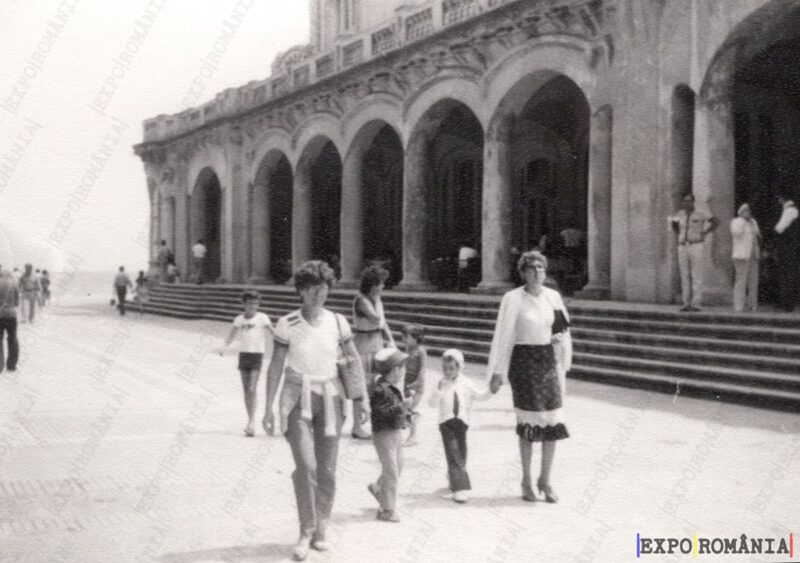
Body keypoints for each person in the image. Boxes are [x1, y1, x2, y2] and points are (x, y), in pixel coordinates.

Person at [263, 260, 368, 561]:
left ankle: (322, 527)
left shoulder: (338, 322)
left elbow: (354, 361)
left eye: (322, 288)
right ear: (300, 291)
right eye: (310, 289)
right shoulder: (287, 323)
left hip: (332, 398)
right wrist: (268, 408)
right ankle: (305, 531)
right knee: (306, 465)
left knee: (327, 469)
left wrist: (362, 401)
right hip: (298, 397)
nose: (317, 294)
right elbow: (276, 366)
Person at [487, 250, 572, 503]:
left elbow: (562, 328)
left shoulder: (553, 297)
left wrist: (560, 344)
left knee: (553, 421)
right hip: (523, 362)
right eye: (531, 268)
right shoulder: (512, 298)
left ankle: (545, 480)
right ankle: (526, 480)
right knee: (529, 425)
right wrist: (497, 371)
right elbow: (503, 336)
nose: (537, 272)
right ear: (522, 273)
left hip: (548, 361)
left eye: (541, 267)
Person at [429, 348, 495, 504]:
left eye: (451, 368)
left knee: (462, 453)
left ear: (459, 367)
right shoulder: (441, 383)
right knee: (453, 452)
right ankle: (460, 489)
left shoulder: (466, 383)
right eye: (444, 368)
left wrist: (491, 390)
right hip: (446, 423)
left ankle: (453, 479)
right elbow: (432, 404)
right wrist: (438, 391)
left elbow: (480, 395)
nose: (447, 371)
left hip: (462, 423)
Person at [367, 347, 412, 523]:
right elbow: (381, 412)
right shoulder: (380, 390)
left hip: (394, 432)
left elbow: (395, 411)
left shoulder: (391, 388)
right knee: (391, 470)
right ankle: (386, 510)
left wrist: (407, 417)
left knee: (398, 465)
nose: (403, 372)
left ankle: (379, 488)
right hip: (383, 435)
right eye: (402, 368)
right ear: (395, 370)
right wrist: (402, 407)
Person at [351, 264, 395, 440]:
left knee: (375, 387)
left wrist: (391, 341)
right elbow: (376, 319)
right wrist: (377, 300)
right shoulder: (362, 300)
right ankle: (356, 426)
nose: (383, 286)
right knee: (361, 387)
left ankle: (373, 423)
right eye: (381, 283)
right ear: (373, 285)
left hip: (376, 344)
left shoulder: (376, 300)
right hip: (363, 346)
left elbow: (383, 323)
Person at [220, 291, 273, 437]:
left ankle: (251, 422)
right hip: (244, 355)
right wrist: (224, 346)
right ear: (243, 304)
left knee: (251, 388)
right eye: (249, 303)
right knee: (246, 390)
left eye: (255, 303)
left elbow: (273, 332)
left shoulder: (262, 318)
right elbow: (231, 335)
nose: (253, 306)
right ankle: (251, 420)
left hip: (257, 355)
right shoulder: (239, 319)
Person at [669, 193, 719, 312]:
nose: (686, 203)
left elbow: (715, 221)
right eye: (684, 201)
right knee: (684, 275)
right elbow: (673, 223)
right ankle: (686, 303)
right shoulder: (679, 214)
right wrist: (679, 234)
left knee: (696, 274)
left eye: (689, 201)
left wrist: (705, 232)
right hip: (683, 245)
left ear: (693, 202)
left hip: (696, 245)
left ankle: (696, 303)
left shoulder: (700, 213)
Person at [730, 203, 761, 312]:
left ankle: (752, 304)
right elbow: (737, 233)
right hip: (741, 255)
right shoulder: (736, 221)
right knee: (741, 281)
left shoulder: (753, 222)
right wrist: (743, 221)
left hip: (753, 255)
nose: (749, 213)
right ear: (741, 212)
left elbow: (758, 236)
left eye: (749, 211)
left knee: (753, 281)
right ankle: (739, 305)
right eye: (746, 211)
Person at [401, 323, 427, 447]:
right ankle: (408, 425)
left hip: (416, 385)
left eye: (406, 336)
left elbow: (422, 369)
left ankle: (413, 436)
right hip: (407, 383)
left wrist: (416, 384)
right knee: (406, 407)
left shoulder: (421, 351)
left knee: (410, 409)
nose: (403, 338)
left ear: (416, 338)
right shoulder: (408, 348)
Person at [774, 194, 800, 312]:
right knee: (790, 274)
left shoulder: (790, 210)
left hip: (789, 247)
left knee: (787, 275)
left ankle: (787, 303)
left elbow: (779, 228)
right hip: (792, 247)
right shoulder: (793, 210)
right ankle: (788, 302)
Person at [0, 269, 20, 373]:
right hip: (11, 315)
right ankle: (11, 365)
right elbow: (17, 302)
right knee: (12, 339)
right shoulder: (14, 283)